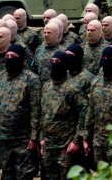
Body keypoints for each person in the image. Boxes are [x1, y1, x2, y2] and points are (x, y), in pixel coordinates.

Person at [0, 44, 41, 180]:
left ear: (21, 59)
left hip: (24, 139)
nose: (9, 59)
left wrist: (34, 137)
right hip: (3, 139)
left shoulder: (31, 80)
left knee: (24, 175)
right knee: (7, 175)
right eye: (7, 56)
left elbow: (36, 110)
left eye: (13, 57)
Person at [40, 51, 88, 180]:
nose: (54, 65)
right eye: (53, 62)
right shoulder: (46, 87)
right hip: (49, 144)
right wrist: (41, 137)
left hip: (66, 146)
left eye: (58, 62)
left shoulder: (73, 88)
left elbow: (84, 113)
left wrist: (76, 140)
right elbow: (43, 113)